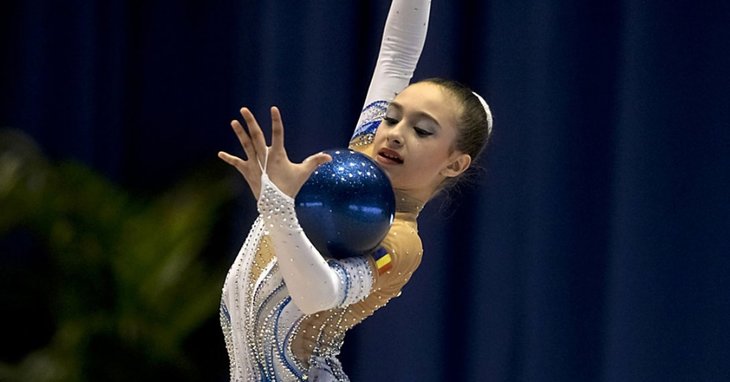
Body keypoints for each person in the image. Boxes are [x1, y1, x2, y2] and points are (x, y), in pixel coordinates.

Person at [217, 0, 493, 380]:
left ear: (455, 163)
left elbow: (319, 294)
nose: (394, 133)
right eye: (392, 118)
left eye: (422, 130)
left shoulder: (399, 242)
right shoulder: (361, 156)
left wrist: (279, 209)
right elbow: (397, 53)